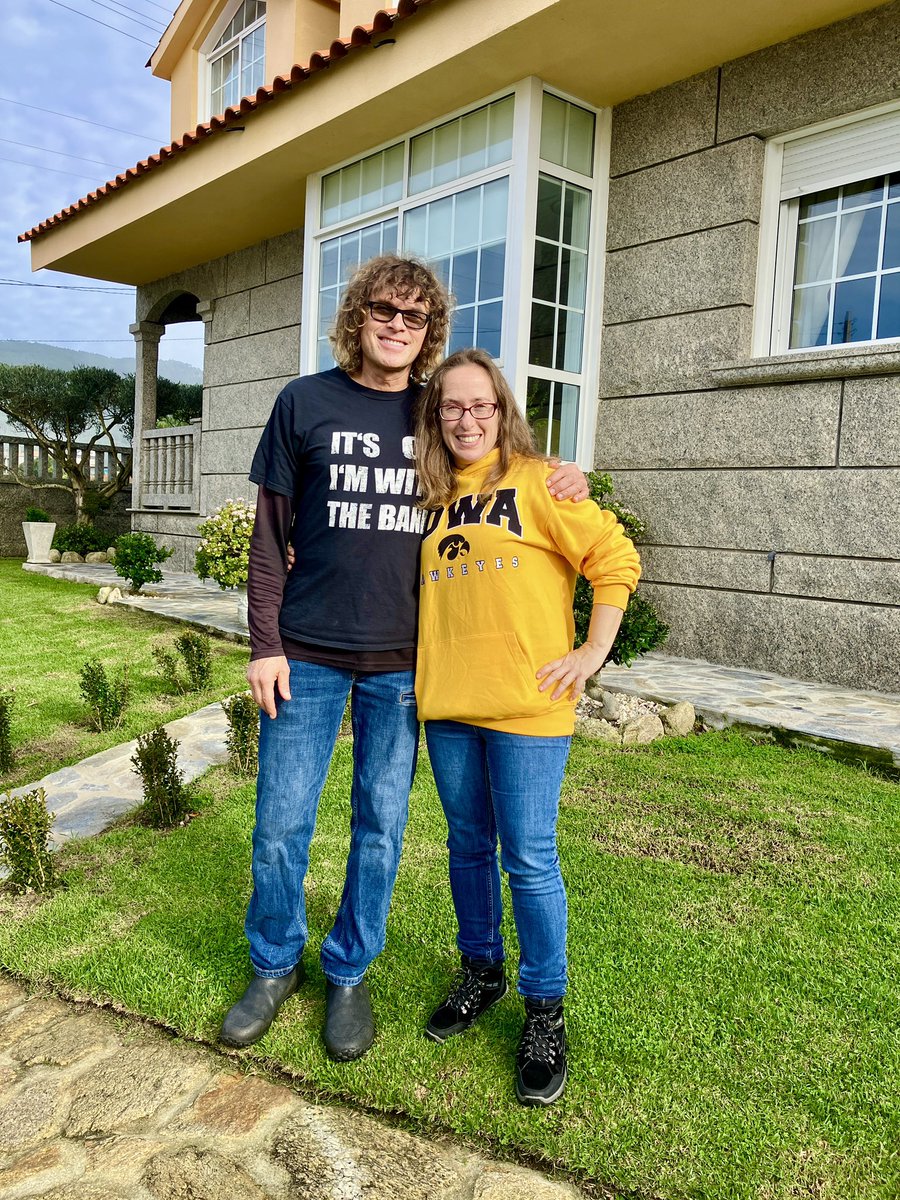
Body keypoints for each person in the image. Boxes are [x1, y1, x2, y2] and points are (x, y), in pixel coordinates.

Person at [219, 256, 589, 1060]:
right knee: (281, 824)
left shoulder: (437, 414)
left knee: (380, 827)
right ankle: (274, 963)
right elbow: (268, 540)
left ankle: (350, 971)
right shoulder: (302, 402)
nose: (396, 324)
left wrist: (567, 475)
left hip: (402, 664)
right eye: (383, 309)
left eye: (415, 316)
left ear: (430, 332)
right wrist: (265, 644)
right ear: (357, 315)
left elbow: (501, 464)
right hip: (307, 655)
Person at [414, 347, 640, 1105]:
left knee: (530, 860)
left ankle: (545, 1010)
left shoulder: (544, 482)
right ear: (435, 415)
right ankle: (481, 973)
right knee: (467, 848)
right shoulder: (427, 494)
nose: (467, 419)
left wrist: (593, 651)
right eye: (452, 406)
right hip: (448, 706)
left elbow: (615, 560)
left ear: (502, 409)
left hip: (529, 708)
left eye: (481, 405)